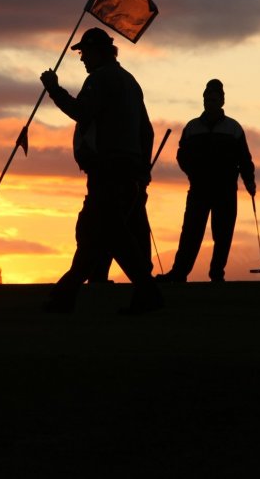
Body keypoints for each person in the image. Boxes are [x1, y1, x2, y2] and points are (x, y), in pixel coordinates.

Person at [39, 27, 162, 314]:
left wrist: (54, 89)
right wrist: (143, 170)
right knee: (106, 235)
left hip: (108, 170)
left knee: (99, 233)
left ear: (97, 52)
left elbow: (81, 111)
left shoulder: (99, 80)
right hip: (127, 171)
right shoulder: (130, 82)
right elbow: (147, 130)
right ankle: (67, 296)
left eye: (84, 53)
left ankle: (65, 296)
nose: (82, 59)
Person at [157, 78, 255, 283]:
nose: (209, 101)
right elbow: (181, 155)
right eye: (207, 98)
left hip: (225, 189)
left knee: (223, 233)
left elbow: (244, 158)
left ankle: (216, 274)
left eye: (213, 98)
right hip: (199, 188)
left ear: (222, 101)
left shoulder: (233, 128)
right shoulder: (192, 128)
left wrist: (249, 182)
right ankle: (179, 273)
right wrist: (192, 173)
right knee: (191, 232)